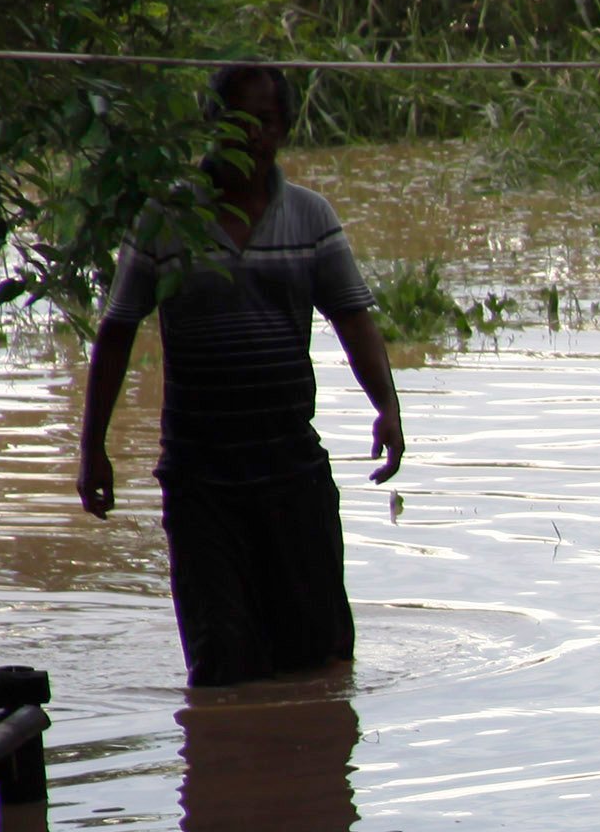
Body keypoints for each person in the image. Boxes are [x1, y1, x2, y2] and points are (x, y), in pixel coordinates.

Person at [77, 63, 405, 687]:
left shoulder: (312, 218)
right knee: (220, 664)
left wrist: (387, 406)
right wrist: (92, 448)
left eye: (266, 120)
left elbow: (353, 319)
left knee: (319, 660)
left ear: (283, 130)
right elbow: (116, 331)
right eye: (238, 118)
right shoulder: (166, 218)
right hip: (202, 479)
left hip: (291, 470)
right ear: (212, 124)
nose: (251, 134)